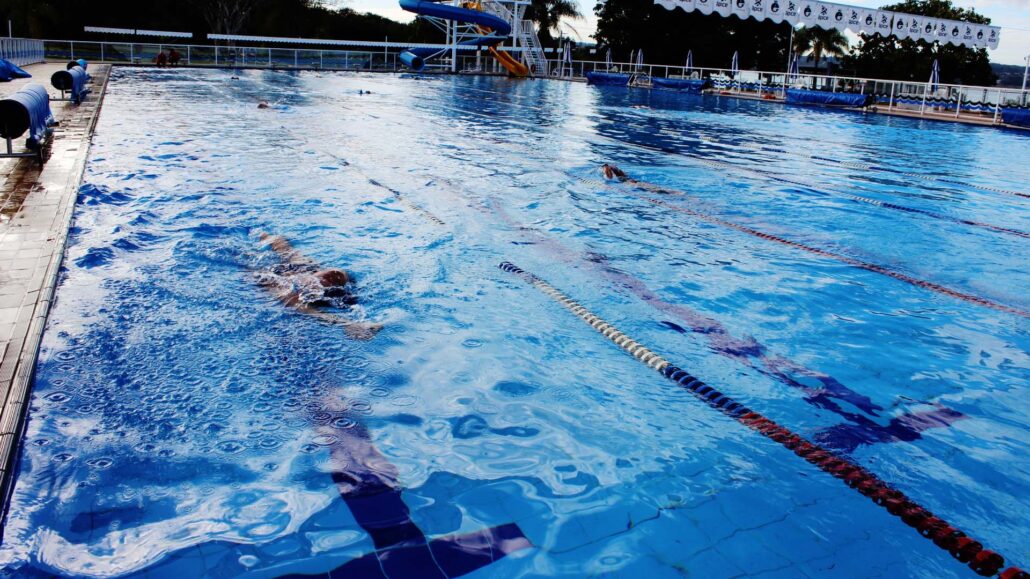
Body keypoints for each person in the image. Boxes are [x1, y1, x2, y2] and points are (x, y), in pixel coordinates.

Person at [255, 233, 382, 340]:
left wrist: (347, 324)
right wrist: (267, 237)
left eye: (334, 282)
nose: (334, 275)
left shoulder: (284, 289)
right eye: (334, 273)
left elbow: (307, 310)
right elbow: (281, 244)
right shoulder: (306, 266)